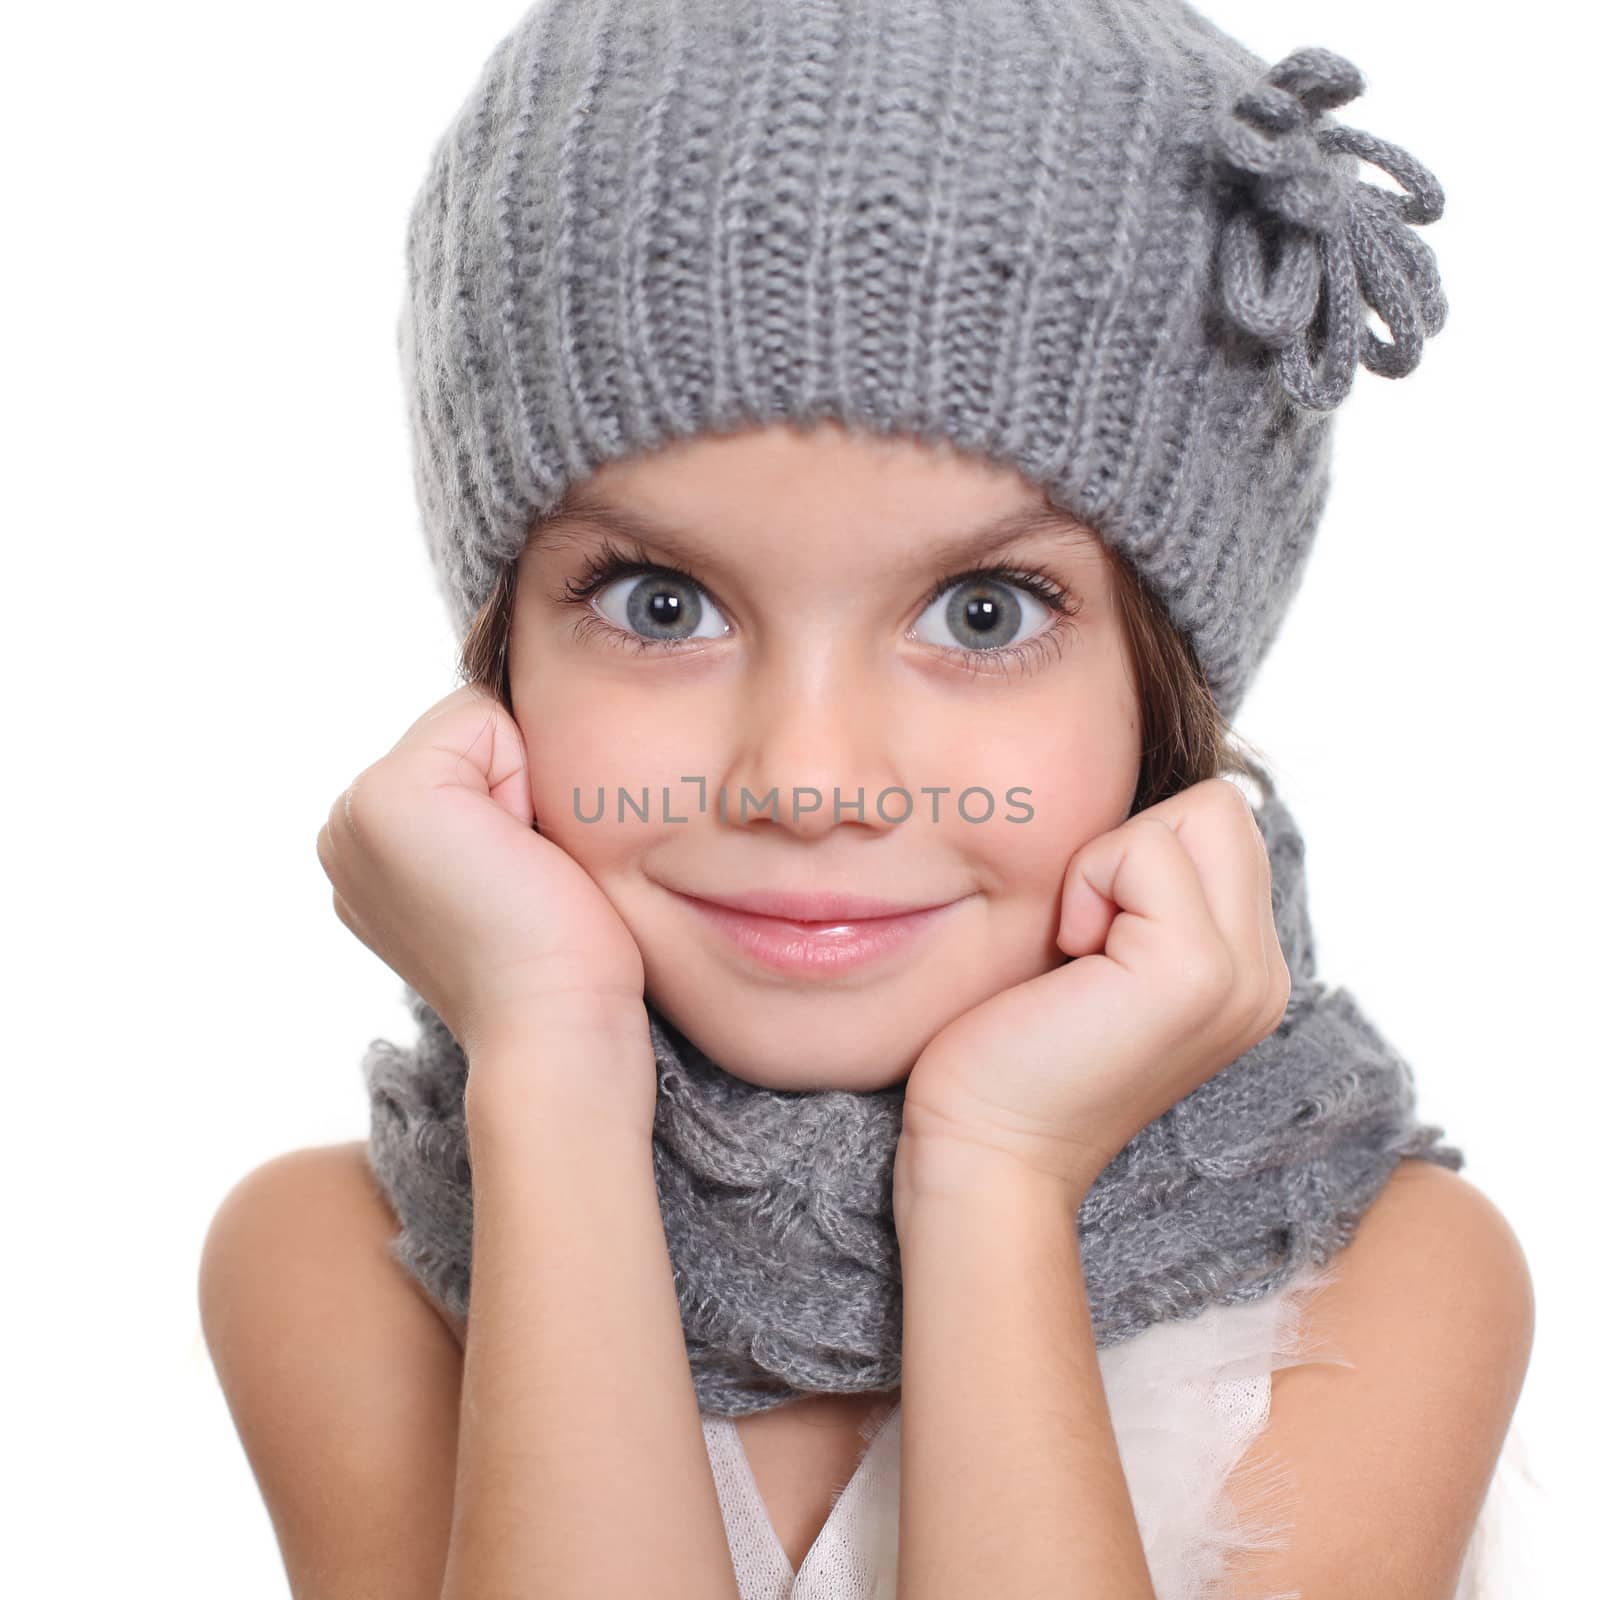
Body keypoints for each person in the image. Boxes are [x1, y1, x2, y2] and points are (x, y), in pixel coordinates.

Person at [198, 3, 1536, 1597]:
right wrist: (551, 1069)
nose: (808, 780)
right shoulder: (344, 1265)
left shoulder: (1378, 1275)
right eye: (658, 602)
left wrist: (995, 1177)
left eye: (982, 613)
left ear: (1163, 685)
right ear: (497, 655)